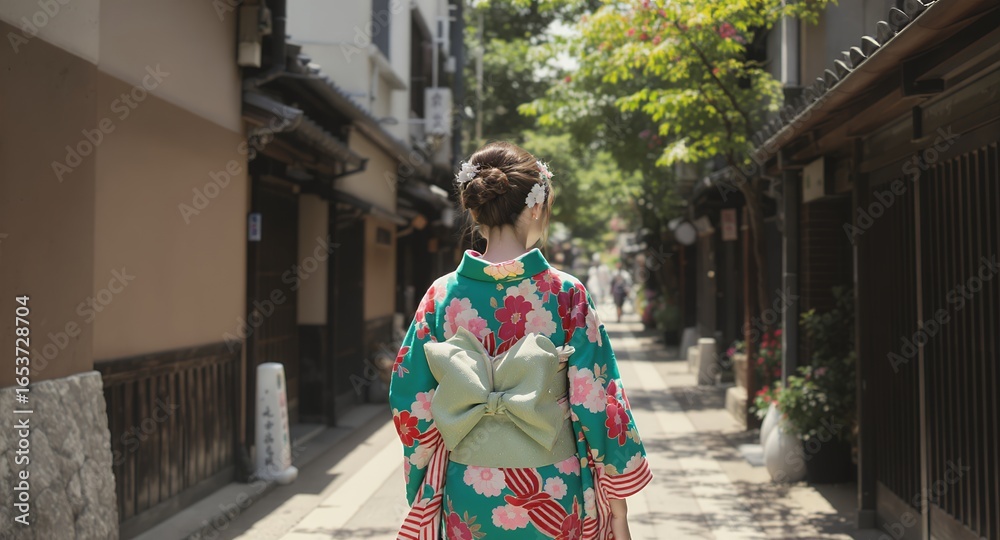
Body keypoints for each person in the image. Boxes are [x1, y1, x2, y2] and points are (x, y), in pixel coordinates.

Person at [389, 141, 652, 540]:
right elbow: (598, 400)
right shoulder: (566, 293)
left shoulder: (441, 296)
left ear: (475, 210)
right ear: (534, 207)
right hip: (552, 485)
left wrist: (427, 477)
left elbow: (410, 398)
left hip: (469, 484)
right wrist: (617, 504)